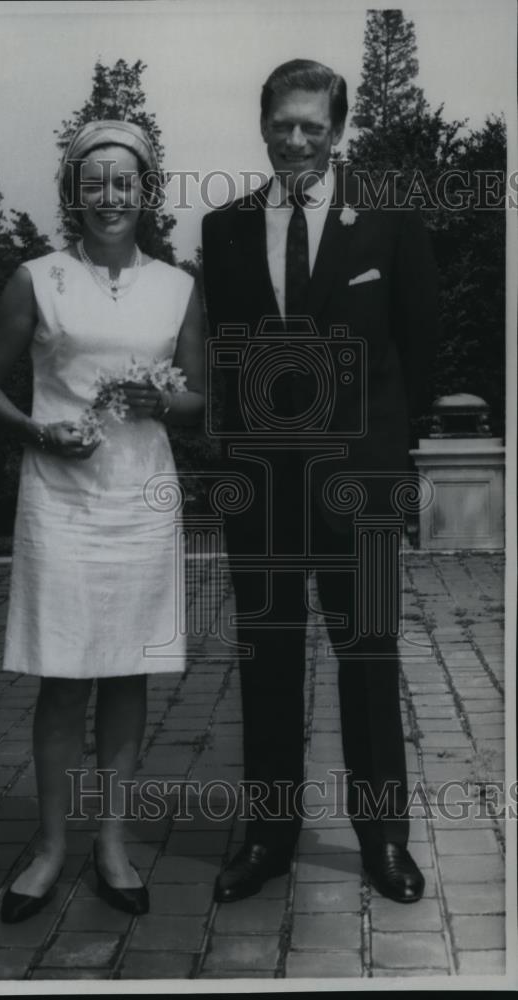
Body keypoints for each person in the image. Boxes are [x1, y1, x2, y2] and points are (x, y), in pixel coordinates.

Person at [201, 59, 439, 904]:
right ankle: (268, 839)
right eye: (282, 123)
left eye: (313, 125)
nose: (296, 139)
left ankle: (384, 843)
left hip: (362, 487)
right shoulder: (223, 228)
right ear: (262, 124)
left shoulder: (387, 222)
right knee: (266, 662)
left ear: (337, 131)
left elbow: (419, 350)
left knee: (369, 662)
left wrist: (395, 476)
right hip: (262, 491)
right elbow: (226, 364)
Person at [0, 119, 205, 922]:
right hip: (60, 502)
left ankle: (111, 841)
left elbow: (197, 401)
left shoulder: (177, 286)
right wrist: (39, 430)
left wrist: (160, 402)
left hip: (142, 497)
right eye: (95, 182)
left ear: (147, 191)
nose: (111, 197)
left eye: (126, 181)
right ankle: (47, 847)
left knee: (127, 674)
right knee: (64, 675)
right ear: (74, 192)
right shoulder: (38, 279)